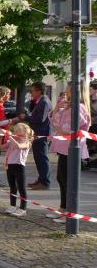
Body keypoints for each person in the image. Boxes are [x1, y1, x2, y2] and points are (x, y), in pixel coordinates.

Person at [49, 82, 92, 223]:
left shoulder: (79, 108)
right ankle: (63, 208)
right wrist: (57, 107)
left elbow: (68, 129)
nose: (66, 93)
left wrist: (59, 128)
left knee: (68, 181)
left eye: (68, 91)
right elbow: (54, 120)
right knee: (61, 178)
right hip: (64, 148)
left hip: (72, 148)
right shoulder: (69, 107)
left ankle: (69, 213)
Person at [19, 82, 53, 190]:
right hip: (38, 134)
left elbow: (40, 119)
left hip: (41, 134)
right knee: (38, 158)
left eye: (33, 91)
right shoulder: (41, 101)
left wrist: (26, 117)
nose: (31, 93)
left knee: (42, 158)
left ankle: (45, 182)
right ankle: (41, 179)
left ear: (39, 91)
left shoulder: (44, 102)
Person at [0, 122, 33, 217]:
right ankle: (12, 206)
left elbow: (18, 146)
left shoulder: (27, 142)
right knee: (12, 187)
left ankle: (23, 208)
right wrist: (0, 138)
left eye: (18, 131)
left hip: (19, 166)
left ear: (25, 133)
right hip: (9, 166)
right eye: (15, 131)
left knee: (21, 188)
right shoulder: (11, 141)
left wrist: (9, 136)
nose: (15, 133)